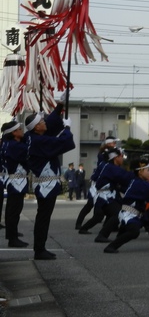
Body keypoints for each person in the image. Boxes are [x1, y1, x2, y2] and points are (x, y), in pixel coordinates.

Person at [25, 105, 76, 260]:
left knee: (43, 217)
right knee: (43, 218)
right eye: (42, 121)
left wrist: (59, 107)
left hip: (43, 184)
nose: (45, 122)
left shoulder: (31, 137)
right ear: (36, 127)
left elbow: (50, 127)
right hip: (46, 186)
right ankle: (39, 249)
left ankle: (40, 248)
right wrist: (67, 127)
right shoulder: (38, 141)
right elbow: (61, 142)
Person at [1, 120, 29, 248]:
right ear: (13, 133)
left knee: (12, 211)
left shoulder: (7, 143)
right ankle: (12, 238)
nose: (22, 131)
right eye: (19, 129)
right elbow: (28, 151)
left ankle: (11, 234)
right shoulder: (14, 146)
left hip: (14, 180)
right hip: (16, 181)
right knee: (14, 211)